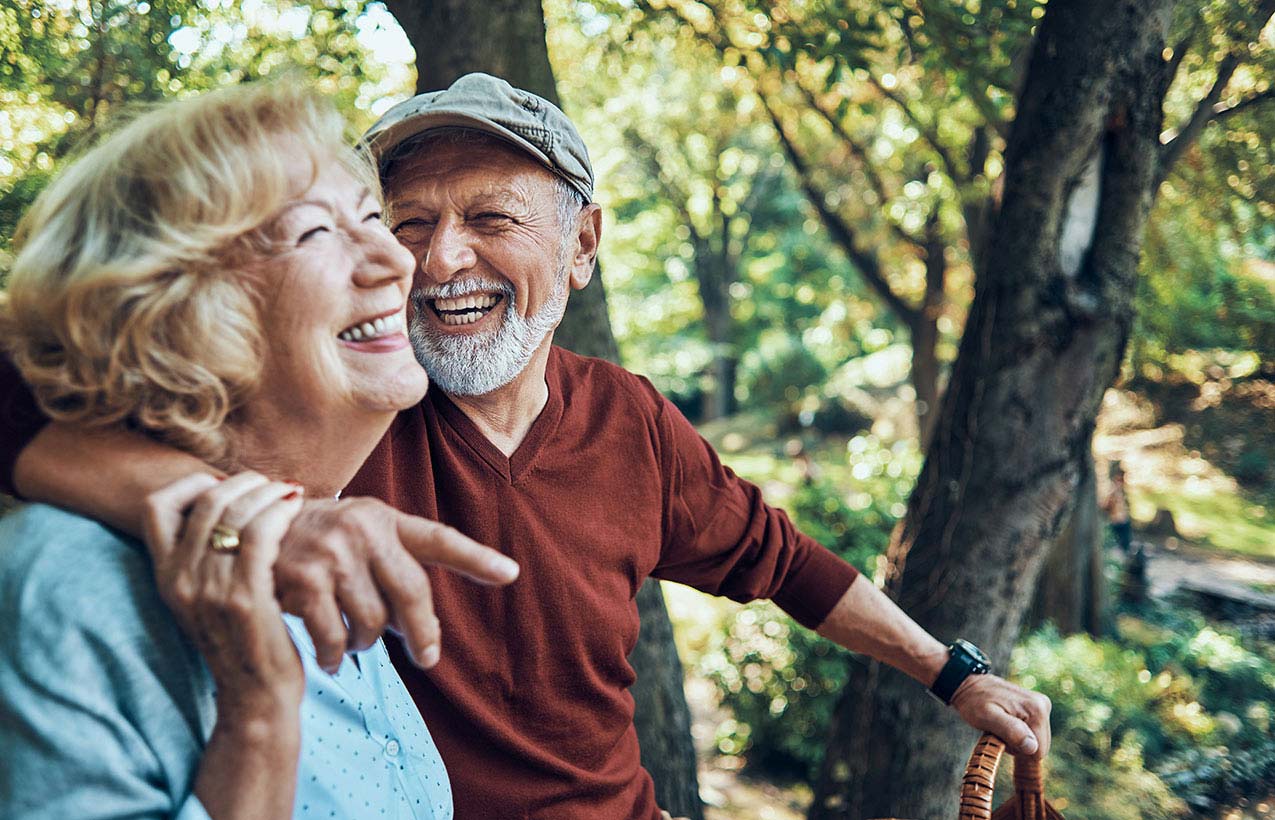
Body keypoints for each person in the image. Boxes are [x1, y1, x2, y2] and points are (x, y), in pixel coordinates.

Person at [0, 73, 1052, 819]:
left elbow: (784, 562)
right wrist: (258, 518)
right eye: (404, 220)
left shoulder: (630, 421)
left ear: (583, 244)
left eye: (491, 217)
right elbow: (45, 380)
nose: (432, 258)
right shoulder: (337, 401)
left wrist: (954, 672)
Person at [0, 81, 520, 819]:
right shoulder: (66, 585)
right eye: (312, 233)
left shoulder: (323, 542)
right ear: (170, 311)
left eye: (372, 217)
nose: (398, 261)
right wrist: (260, 719)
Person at [1101, 462, 1134, 553]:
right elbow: (1105, 505)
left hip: (1123, 521)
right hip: (1117, 522)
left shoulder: (1122, 491)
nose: (1121, 482)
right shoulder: (1113, 491)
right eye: (1119, 479)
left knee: (1125, 544)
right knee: (1120, 543)